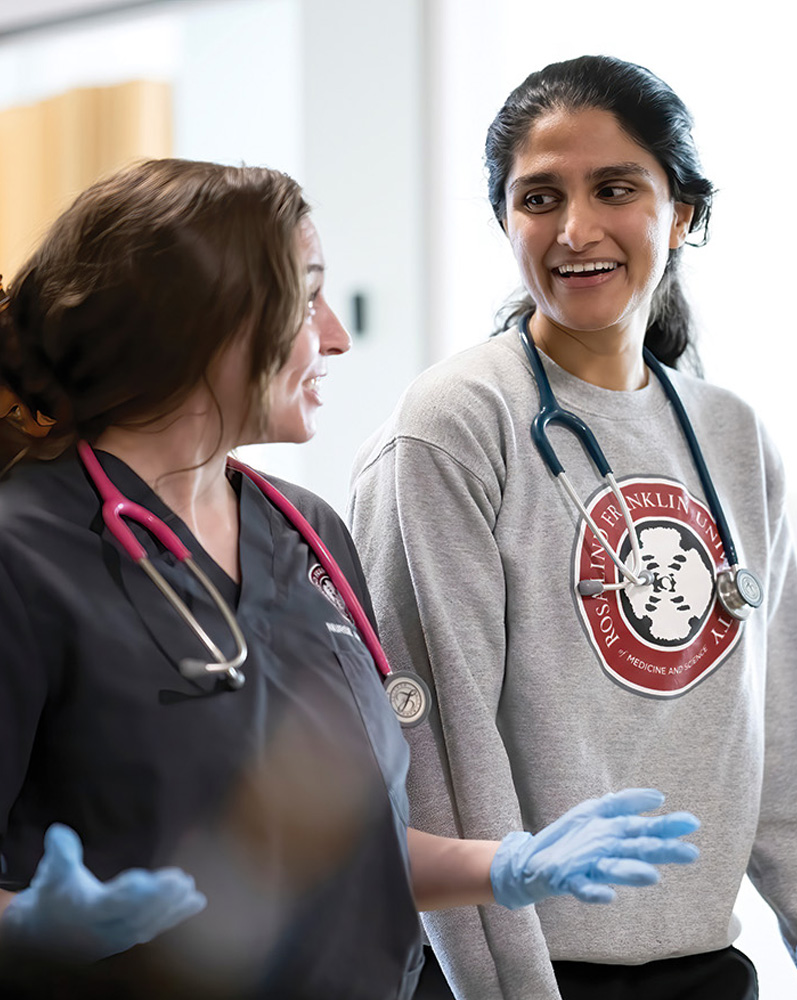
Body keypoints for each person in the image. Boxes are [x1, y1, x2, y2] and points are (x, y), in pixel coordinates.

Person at [0, 157, 700, 1000]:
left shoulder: (308, 534)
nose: (334, 335)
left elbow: (351, 849)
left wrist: (507, 864)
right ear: (199, 321)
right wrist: (32, 930)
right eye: (306, 299)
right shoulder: (24, 556)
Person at [348, 54, 797, 1000]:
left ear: (681, 215)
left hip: (706, 970)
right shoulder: (455, 425)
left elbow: (780, 747)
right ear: (506, 221)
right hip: (517, 977)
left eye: (615, 189)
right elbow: (437, 760)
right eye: (540, 198)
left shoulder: (732, 437)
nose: (576, 229)